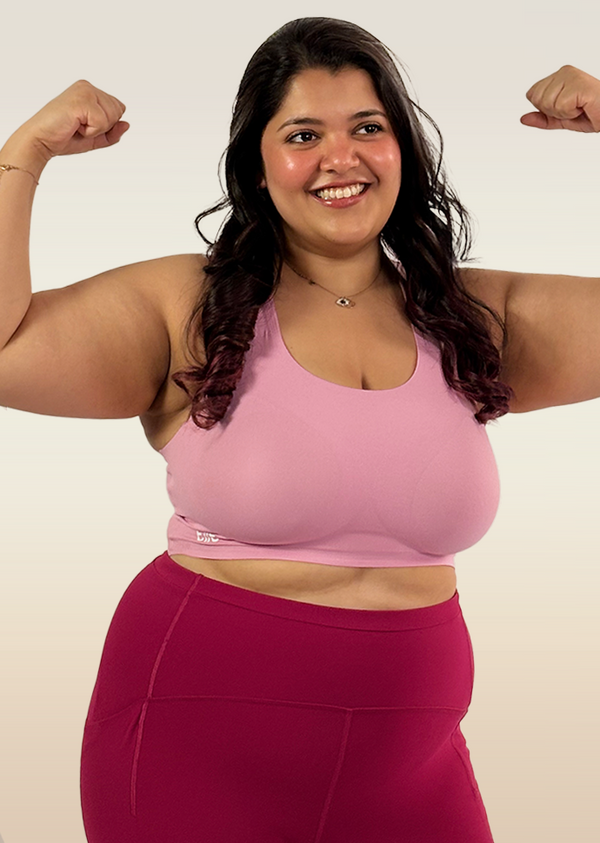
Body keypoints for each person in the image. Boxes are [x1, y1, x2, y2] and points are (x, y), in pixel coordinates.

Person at [1, 15, 599, 843]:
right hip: (196, 748)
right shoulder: (188, 307)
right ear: (258, 163)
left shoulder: (471, 319)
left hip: (410, 772)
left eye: (367, 127)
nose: (340, 157)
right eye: (303, 134)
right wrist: (22, 154)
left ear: (404, 150)